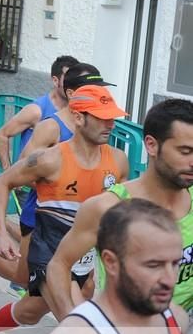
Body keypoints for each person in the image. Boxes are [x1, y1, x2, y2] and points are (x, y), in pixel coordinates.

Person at [0, 85, 130, 334]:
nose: (111, 124)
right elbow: (3, 182)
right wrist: (1, 232)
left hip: (83, 258)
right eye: (102, 117)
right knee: (78, 329)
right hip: (49, 257)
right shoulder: (50, 159)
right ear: (78, 118)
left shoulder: (118, 162)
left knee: (31, 311)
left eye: (112, 117)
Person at [14, 199, 192, 334]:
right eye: (153, 265)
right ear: (111, 262)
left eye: (175, 263)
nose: (169, 279)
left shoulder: (176, 319)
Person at [0, 63, 110, 290]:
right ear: (72, 93)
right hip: (41, 212)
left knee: (84, 283)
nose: (101, 94)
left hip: (76, 216)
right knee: (24, 277)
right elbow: (20, 169)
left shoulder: (99, 124)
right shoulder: (52, 127)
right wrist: (62, 181)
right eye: (94, 88)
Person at [46, 98, 193, 318]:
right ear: (152, 145)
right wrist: (76, 326)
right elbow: (59, 265)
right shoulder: (108, 208)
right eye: (185, 151)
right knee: (29, 311)